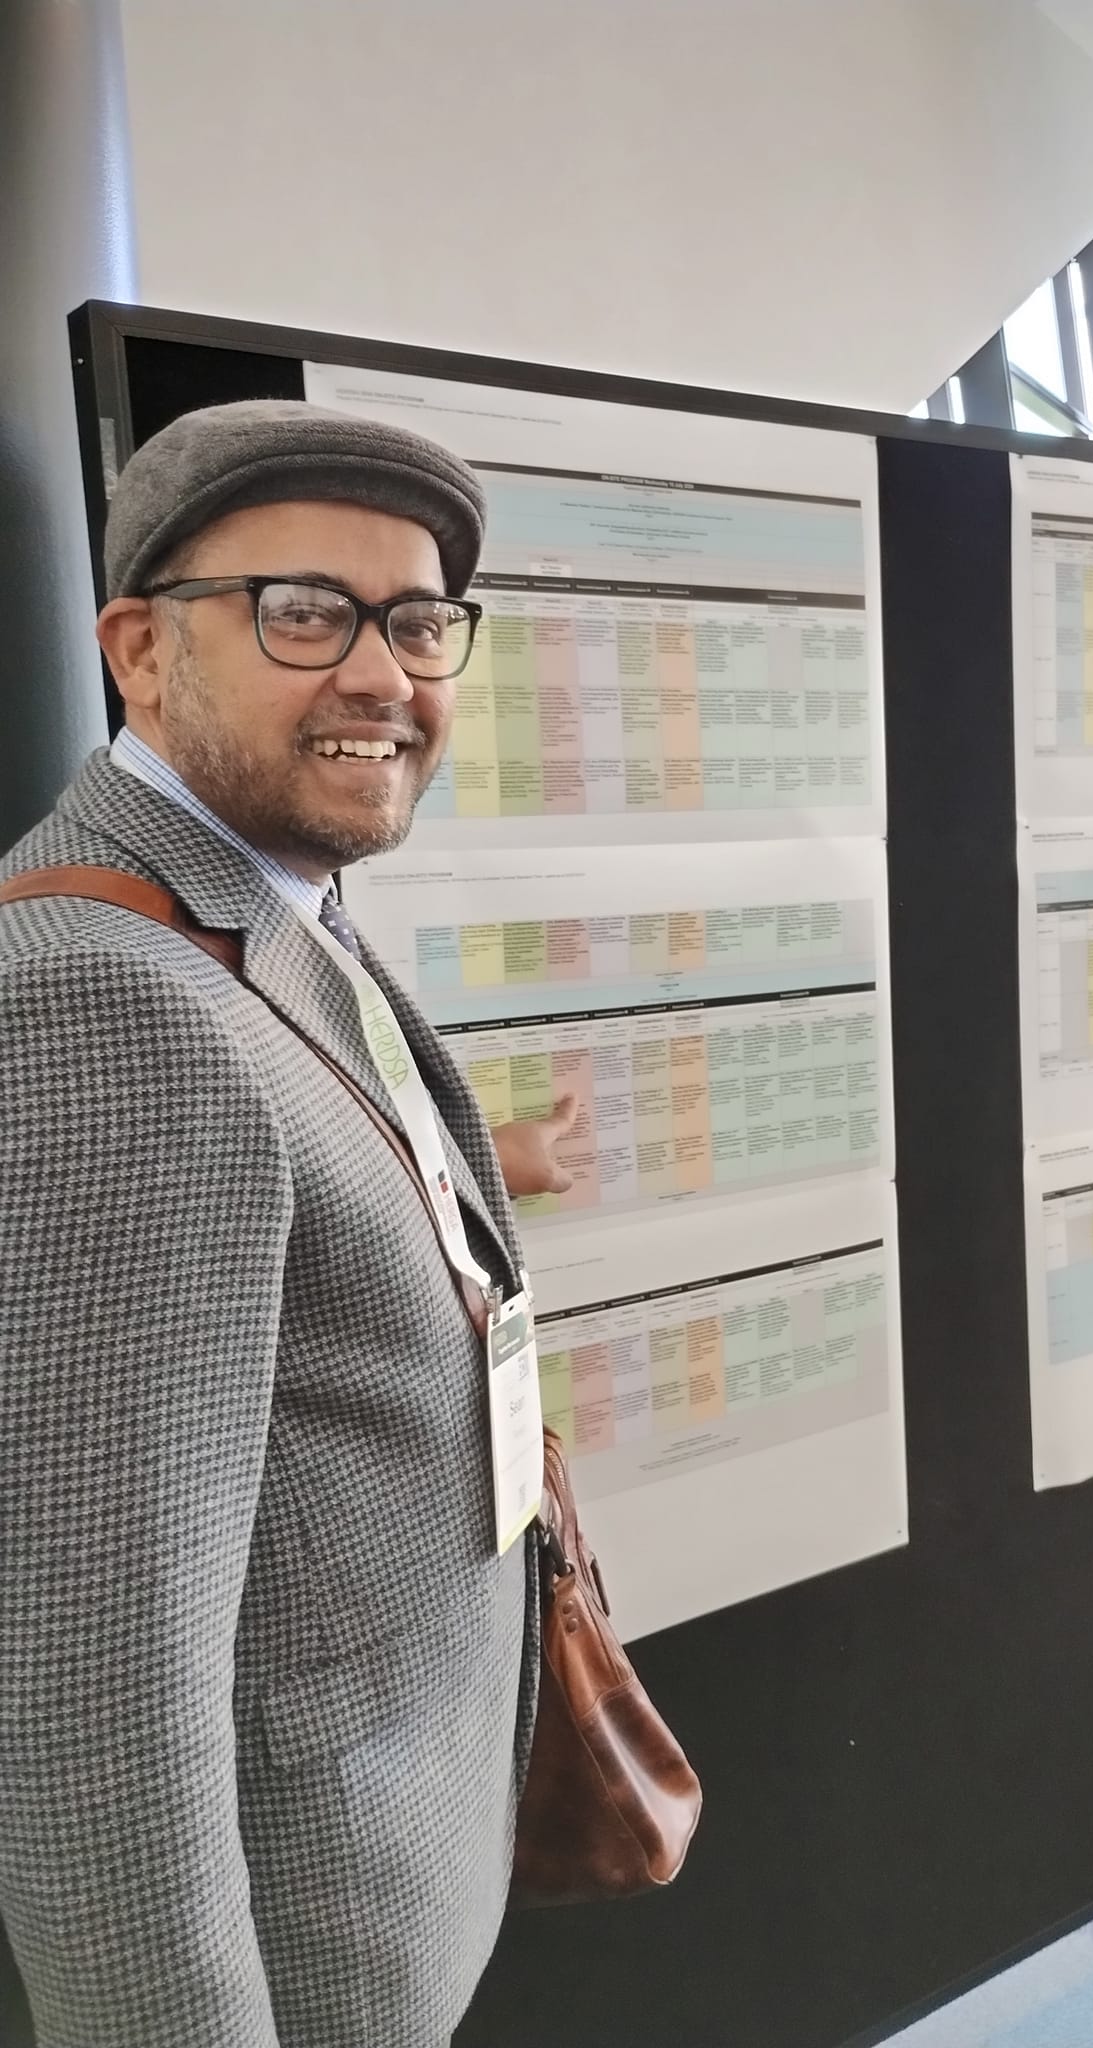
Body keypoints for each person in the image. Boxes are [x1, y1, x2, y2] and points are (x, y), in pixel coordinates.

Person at [0, 400, 578, 2047]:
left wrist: (491, 1163)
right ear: (140, 650)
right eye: (303, 612)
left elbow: (284, 1180)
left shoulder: (261, 900)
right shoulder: (95, 1007)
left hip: (397, 1846)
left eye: (416, 620)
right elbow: (92, 1703)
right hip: (295, 1943)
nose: (384, 672)